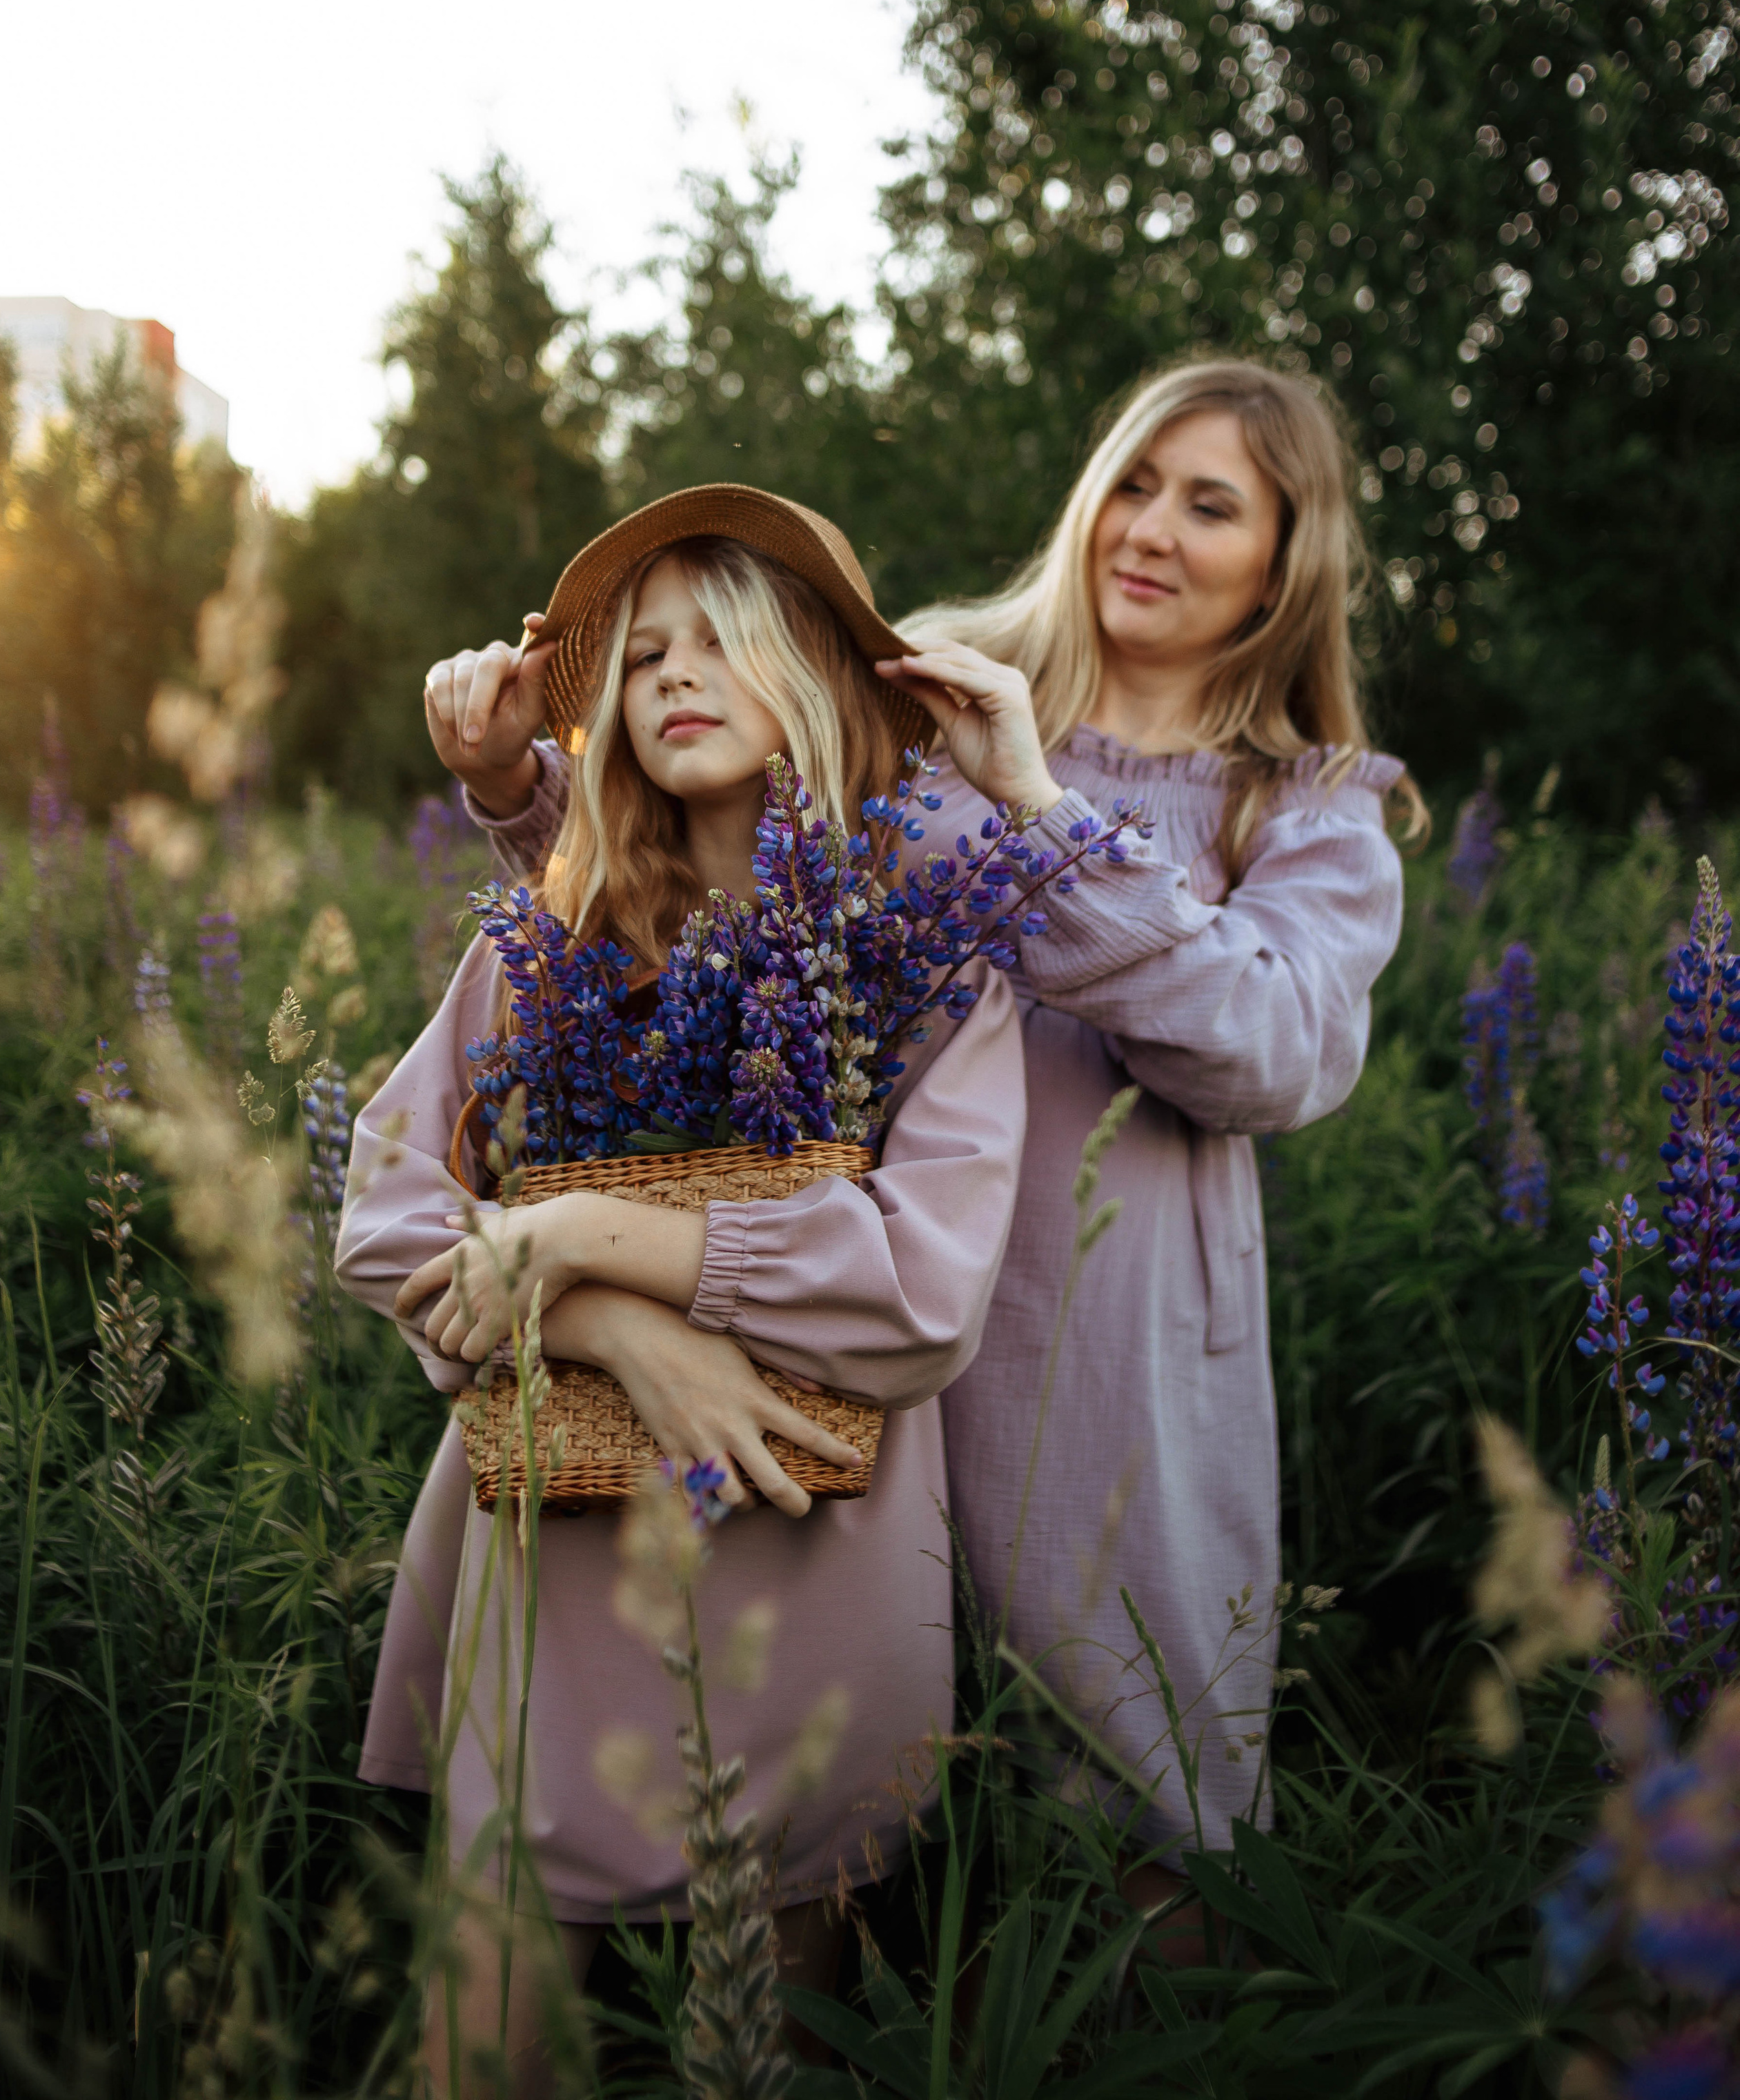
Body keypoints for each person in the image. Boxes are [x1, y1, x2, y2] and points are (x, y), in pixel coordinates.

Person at [426, 357, 1421, 1956]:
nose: (1148, 527)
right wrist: (512, 783)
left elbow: (1271, 1050)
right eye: (1134, 479)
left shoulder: (1300, 811)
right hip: (833, 1290)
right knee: (838, 1784)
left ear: (1282, 562)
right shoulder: (934, 686)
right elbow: (694, 875)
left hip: (1096, 1340)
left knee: (1129, 1780)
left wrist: (1038, 810)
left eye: (1210, 503)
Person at [338, 489, 1026, 2094]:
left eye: (723, 639)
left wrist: (583, 1229)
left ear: (822, 676)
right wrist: (615, 1333)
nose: (672, 674)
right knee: (475, 2043)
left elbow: (925, 1299)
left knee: (770, 2048)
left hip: (808, 1563)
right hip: (556, 1565)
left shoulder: (922, 955)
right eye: (641, 655)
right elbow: (384, 1216)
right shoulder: (554, 932)